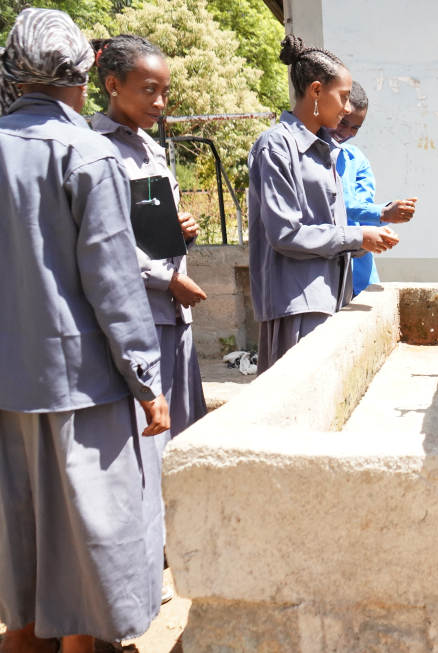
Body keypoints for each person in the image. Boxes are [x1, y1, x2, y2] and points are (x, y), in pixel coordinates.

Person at [0, 9, 170, 653]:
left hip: (7, 384)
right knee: (88, 540)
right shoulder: (87, 154)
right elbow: (114, 284)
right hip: (83, 386)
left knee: (18, 534)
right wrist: (147, 382)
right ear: (84, 73)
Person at [89, 33, 209, 605]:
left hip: (175, 313)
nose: (160, 101)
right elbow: (105, 243)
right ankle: (142, 572)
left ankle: (172, 553)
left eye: (165, 91)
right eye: (148, 90)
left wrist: (180, 229)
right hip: (142, 314)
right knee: (145, 444)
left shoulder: (151, 148)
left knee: (179, 437)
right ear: (112, 85)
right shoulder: (94, 147)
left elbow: (148, 222)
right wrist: (166, 278)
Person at [248, 35, 399, 374]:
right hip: (297, 301)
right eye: (343, 97)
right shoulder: (276, 146)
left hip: (331, 295)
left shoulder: (326, 150)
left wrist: (365, 241)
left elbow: (332, 228)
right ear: (316, 91)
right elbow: (285, 233)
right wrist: (358, 238)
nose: (347, 108)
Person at [330, 80, 417, 295]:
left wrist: (389, 215)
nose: (347, 132)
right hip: (329, 270)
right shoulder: (315, 158)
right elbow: (340, 203)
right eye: (343, 123)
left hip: (360, 273)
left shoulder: (356, 159)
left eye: (355, 127)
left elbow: (361, 208)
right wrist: (384, 212)